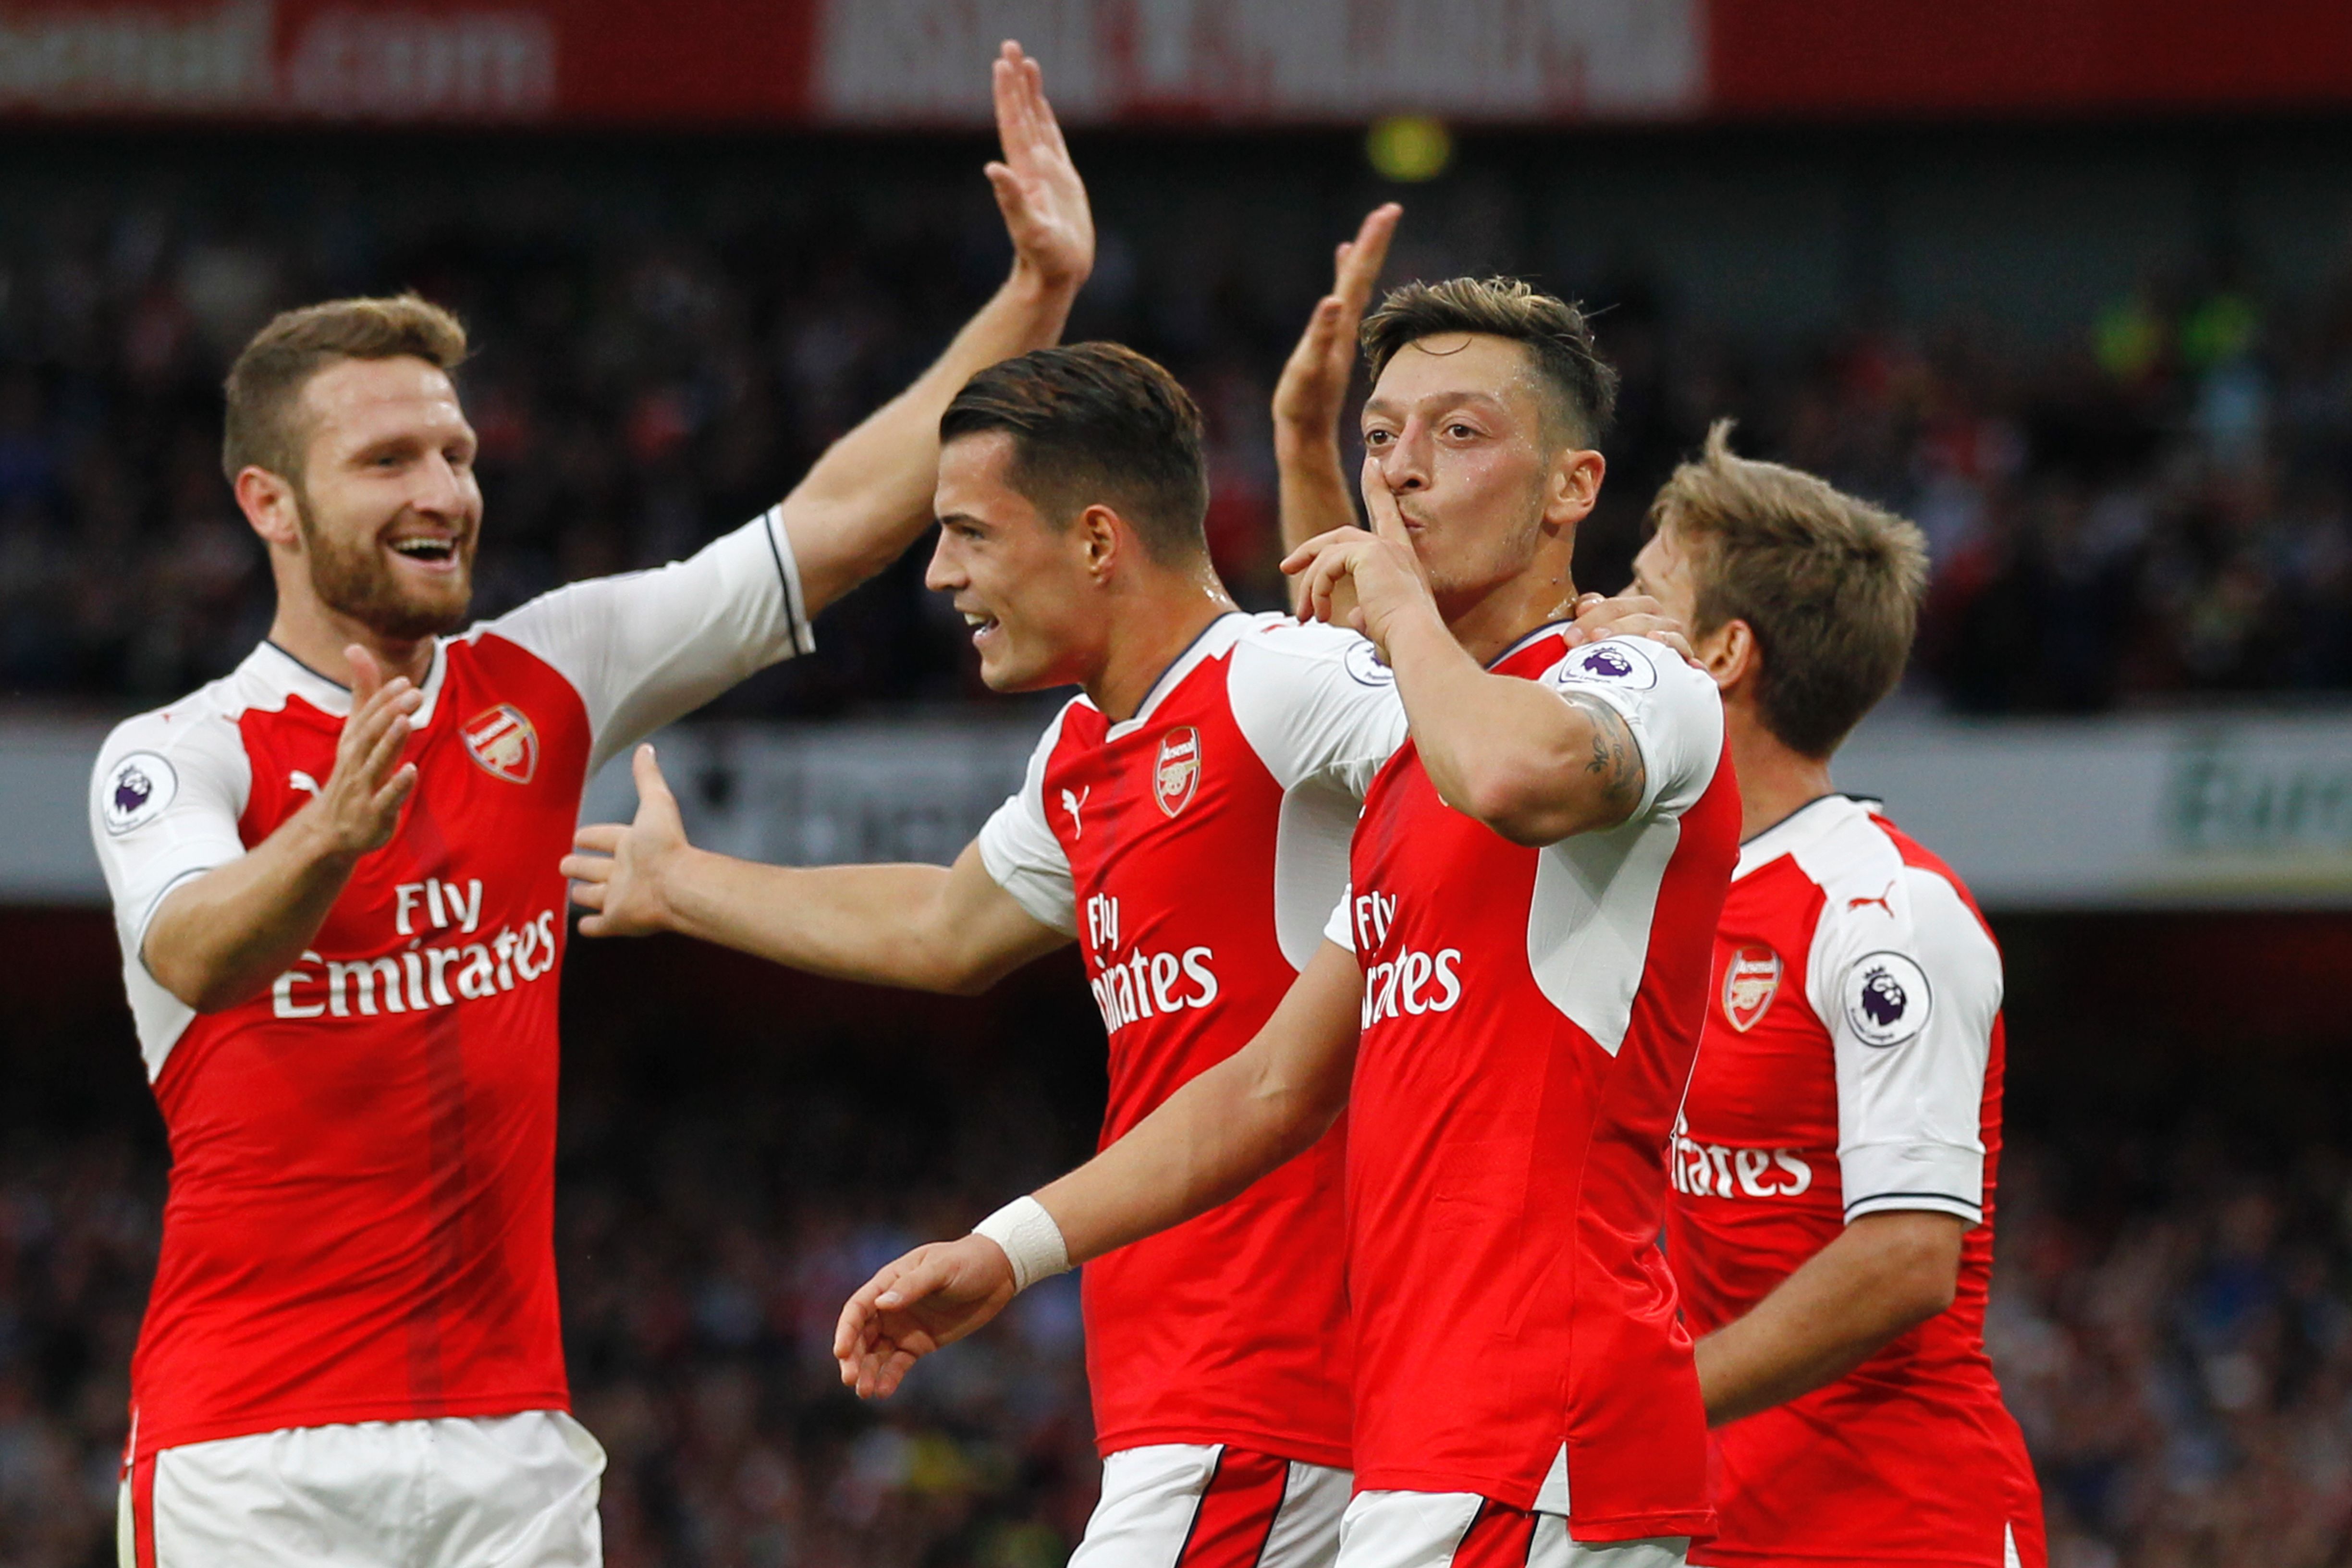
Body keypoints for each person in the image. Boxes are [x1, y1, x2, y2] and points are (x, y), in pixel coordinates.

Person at [87, 43, 1092, 1568]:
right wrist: (326, 842)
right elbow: (194, 953)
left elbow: (821, 530)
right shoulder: (182, 753)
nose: (443, 487)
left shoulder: (543, 676)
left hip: (515, 1448)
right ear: (269, 504)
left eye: (456, 451)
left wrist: (1031, 305)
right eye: (387, 459)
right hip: (253, 1456)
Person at [834, 277, 1739, 1568]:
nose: (1405, 475)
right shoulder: (1408, 779)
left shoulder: (1636, 677)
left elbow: (1519, 775)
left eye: (1461, 435)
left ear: (1573, 489)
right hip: (1425, 1450)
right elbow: (1263, 1092)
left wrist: (1399, 605)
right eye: (1381, 440)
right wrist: (1010, 1250)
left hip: (1547, 1435)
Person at [564, 239, 1428, 1568]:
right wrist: (683, 887)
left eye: (967, 533)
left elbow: (1472, 770)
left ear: (1095, 540)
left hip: (1275, 1382)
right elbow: (947, 928)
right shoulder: (1081, 753)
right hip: (1193, 1393)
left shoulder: (1272, 682)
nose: (937, 575)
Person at [1623, 424, 2046, 1568]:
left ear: (1723, 653)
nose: (1599, 621)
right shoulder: (1649, 889)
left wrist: (1629, 1415)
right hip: (1715, 1523)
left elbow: (1908, 1256)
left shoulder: (1882, 912)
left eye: (1641, 590)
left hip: (1902, 1524)